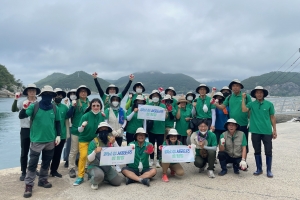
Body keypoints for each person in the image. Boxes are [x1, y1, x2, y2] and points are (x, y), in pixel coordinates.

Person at [19, 85, 61, 198]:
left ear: (53, 96)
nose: (48, 96)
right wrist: (24, 108)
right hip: (37, 139)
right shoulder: (34, 106)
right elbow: (21, 116)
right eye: (45, 94)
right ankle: (28, 184)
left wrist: (58, 135)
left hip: (50, 140)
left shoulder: (54, 108)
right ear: (41, 96)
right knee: (32, 163)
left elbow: (58, 122)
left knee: (46, 162)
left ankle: (42, 179)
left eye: (50, 95)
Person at [242, 86, 277, 178]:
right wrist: (243, 99)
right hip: (255, 131)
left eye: (261, 92)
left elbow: (272, 117)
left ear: (263, 94)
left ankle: (269, 170)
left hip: (267, 131)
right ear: (255, 94)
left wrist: (274, 130)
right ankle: (259, 169)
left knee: (268, 151)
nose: (259, 94)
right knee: (257, 151)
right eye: (257, 92)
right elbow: (244, 109)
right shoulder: (251, 104)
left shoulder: (269, 104)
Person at [73, 98, 106, 186]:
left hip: (95, 141)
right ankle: (80, 176)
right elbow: (79, 130)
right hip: (84, 139)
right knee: (83, 156)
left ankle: (91, 172)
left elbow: (104, 128)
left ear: (100, 107)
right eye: (94, 105)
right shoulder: (85, 116)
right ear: (91, 106)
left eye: (98, 105)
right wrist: (83, 126)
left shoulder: (102, 116)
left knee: (94, 157)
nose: (96, 107)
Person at [11, 84, 40, 181]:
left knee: (35, 151)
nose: (32, 92)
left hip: (36, 130)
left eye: (33, 90)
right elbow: (14, 109)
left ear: (36, 92)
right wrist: (15, 99)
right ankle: (23, 171)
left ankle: (33, 169)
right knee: (24, 152)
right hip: (25, 129)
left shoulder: (38, 103)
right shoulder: (22, 102)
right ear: (27, 92)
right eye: (30, 90)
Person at [215, 79, 252, 153]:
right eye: (233, 86)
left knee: (244, 143)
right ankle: (232, 160)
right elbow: (222, 107)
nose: (235, 87)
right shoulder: (229, 97)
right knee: (232, 143)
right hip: (232, 124)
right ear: (231, 88)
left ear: (240, 87)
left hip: (243, 124)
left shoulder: (246, 96)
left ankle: (243, 160)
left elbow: (248, 109)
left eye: (237, 86)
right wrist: (215, 104)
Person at [87, 122, 122, 190]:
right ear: (98, 131)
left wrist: (114, 143)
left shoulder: (110, 140)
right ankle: (94, 181)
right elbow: (89, 159)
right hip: (95, 165)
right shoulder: (93, 142)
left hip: (106, 166)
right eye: (101, 129)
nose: (103, 131)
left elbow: (118, 152)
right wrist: (95, 152)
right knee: (99, 175)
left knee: (118, 182)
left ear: (108, 131)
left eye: (105, 129)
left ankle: (104, 177)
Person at [67, 85, 91, 178]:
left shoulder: (91, 103)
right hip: (76, 130)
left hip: (87, 131)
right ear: (78, 93)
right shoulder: (75, 102)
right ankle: (72, 168)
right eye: (81, 91)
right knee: (74, 150)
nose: (83, 93)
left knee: (86, 150)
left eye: (85, 91)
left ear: (87, 93)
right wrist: (72, 107)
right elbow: (68, 115)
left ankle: (86, 167)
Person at [49, 88, 69, 178]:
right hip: (50, 134)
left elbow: (67, 121)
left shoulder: (65, 107)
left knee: (58, 154)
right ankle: (45, 170)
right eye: (57, 95)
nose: (58, 97)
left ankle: (54, 171)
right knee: (48, 154)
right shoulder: (49, 106)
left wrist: (65, 135)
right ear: (53, 96)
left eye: (60, 95)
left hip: (62, 135)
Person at [104, 94, 127, 172]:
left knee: (118, 148)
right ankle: (110, 165)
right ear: (111, 101)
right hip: (110, 133)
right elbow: (106, 121)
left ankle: (117, 165)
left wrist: (121, 128)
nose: (115, 101)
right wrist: (112, 130)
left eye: (117, 100)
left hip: (120, 132)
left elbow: (125, 120)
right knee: (110, 149)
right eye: (114, 100)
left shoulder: (121, 110)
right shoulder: (108, 110)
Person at [148, 90, 167, 168]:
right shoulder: (148, 105)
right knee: (151, 145)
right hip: (151, 129)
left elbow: (166, 117)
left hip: (160, 129)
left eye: (157, 96)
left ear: (159, 97)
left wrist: (166, 113)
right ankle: (151, 159)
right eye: (153, 96)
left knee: (160, 146)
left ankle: (159, 160)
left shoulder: (163, 106)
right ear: (151, 97)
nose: (155, 97)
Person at [63, 89, 77, 168]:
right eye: (71, 93)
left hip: (76, 126)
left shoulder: (79, 103)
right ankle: (67, 160)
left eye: (74, 93)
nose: (73, 95)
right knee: (69, 144)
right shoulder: (67, 104)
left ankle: (77, 159)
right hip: (69, 126)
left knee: (77, 144)